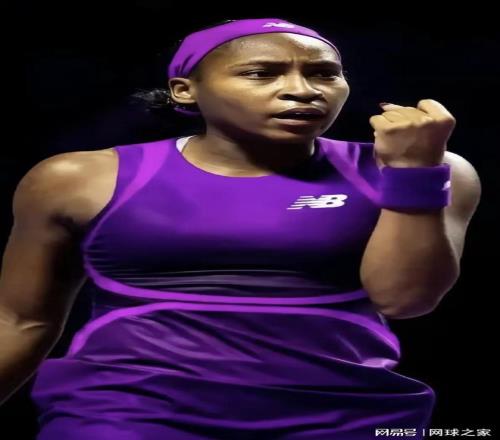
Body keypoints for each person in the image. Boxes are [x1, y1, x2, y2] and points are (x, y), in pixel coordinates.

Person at [0, 17, 481, 440]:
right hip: (129, 409)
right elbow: (21, 321)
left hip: (346, 414)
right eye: (261, 73)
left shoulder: (429, 171)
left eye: (323, 73)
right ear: (184, 90)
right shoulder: (77, 179)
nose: (302, 90)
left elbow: (404, 299)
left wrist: (414, 174)